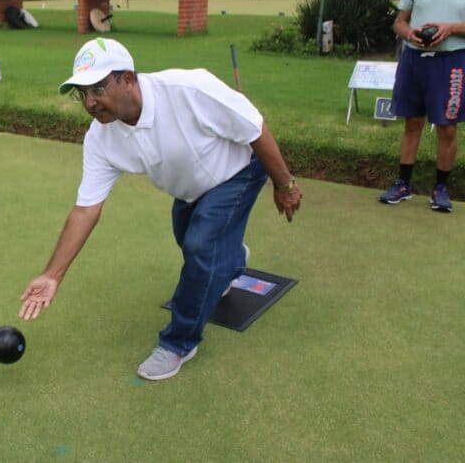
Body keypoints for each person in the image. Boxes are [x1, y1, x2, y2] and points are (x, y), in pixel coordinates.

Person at [18, 38, 303, 381]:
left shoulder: (188, 88)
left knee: (201, 246)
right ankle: (228, 259)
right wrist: (52, 275)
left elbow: (255, 128)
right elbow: (85, 211)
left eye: (98, 88)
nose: (91, 102)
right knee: (188, 238)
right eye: (82, 93)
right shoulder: (100, 138)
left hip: (237, 171)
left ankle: (179, 343)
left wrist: (284, 184)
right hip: (189, 189)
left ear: (128, 79)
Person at [379, 0, 465, 213]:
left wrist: (450, 28)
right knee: (412, 122)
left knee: (446, 127)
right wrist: (409, 33)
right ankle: (403, 183)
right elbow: (399, 21)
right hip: (414, 59)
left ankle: (441, 188)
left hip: (450, 62)